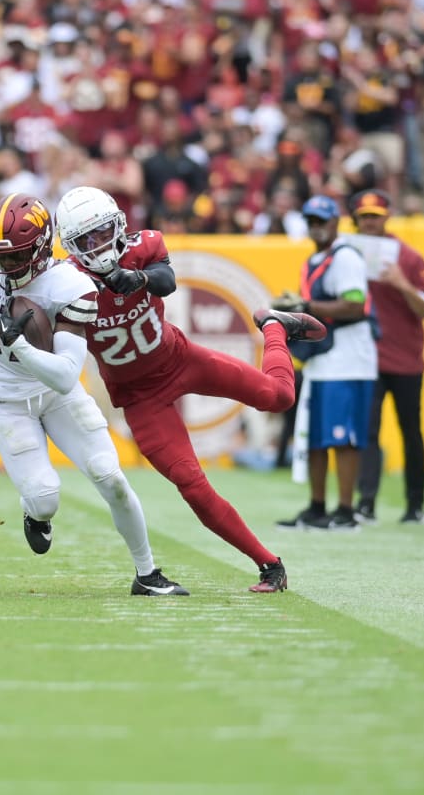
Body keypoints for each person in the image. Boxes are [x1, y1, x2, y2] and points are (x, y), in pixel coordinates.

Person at [0, 193, 190, 596]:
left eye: (15, 257)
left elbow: (64, 377)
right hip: (6, 398)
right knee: (45, 499)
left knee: (110, 477)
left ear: (43, 248)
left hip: (55, 391)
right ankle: (34, 514)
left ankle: (147, 574)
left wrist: (22, 346)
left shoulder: (71, 285)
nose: (4, 265)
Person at [50, 186, 325, 593]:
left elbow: (165, 280)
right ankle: (269, 564)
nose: (101, 245)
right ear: (73, 245)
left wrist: (138, 277)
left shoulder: (141, 247)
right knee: (192, 486)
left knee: (280, 397)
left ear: (119, 225)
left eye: (105, 232)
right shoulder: (65, 281)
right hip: (141, 398)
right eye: (88, 240)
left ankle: (274, 327)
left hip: (181, 360)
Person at [275, 195, 378, 531]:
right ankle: (318, 507)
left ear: (336, 222)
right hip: (324, 360)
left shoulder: (346, 258)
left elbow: (355, 306)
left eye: (322, 221)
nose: (316, 227)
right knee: (315, 436)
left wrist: (307, 305)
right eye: (312, 221)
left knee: (343, 436)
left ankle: (346, 510)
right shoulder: (314, 259)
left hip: (348, 360)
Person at [349, 190, 424, 524]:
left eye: (376, 215)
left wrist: (401, 283)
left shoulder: (409, 258)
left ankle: (416, 504)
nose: (370, 221)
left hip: (405, 358)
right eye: (365, 216)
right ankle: (366, 503)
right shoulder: (348, 255)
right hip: (367, 358)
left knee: (410, 431)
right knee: (368, 431)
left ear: (387, 217)